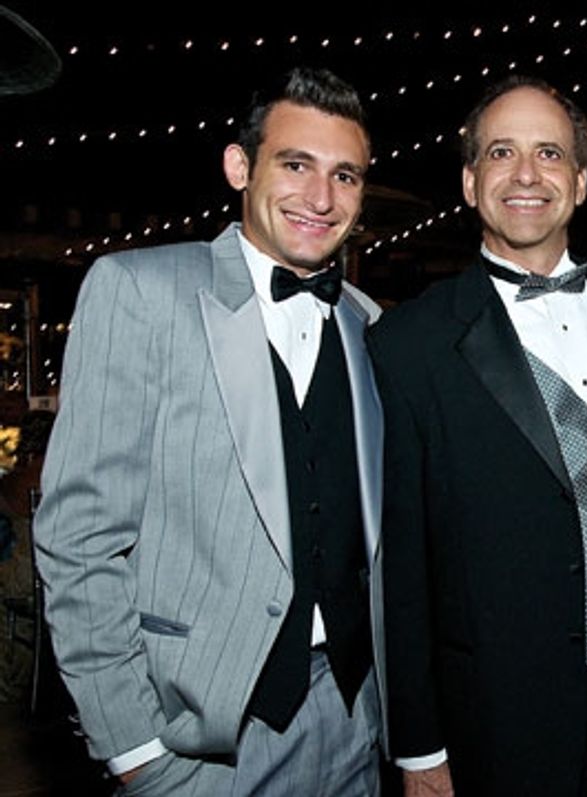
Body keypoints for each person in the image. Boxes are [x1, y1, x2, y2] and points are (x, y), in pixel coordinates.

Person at [35, 67, 385, 795]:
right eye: (295, 165)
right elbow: (79, 536)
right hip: (203, 738)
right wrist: (132, 747)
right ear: (239, 167)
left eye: (344, 175)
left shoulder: (369, 322)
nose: (322, 197)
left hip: (355, 718)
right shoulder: (141, 291)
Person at [368, 75, 587, 797]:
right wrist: (418, 750)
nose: (526, 174)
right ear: (470, 181)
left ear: (579, 181)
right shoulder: (411, 342)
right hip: (504, 715)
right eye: (502, 152)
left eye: (549, 153)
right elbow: (401, 565)